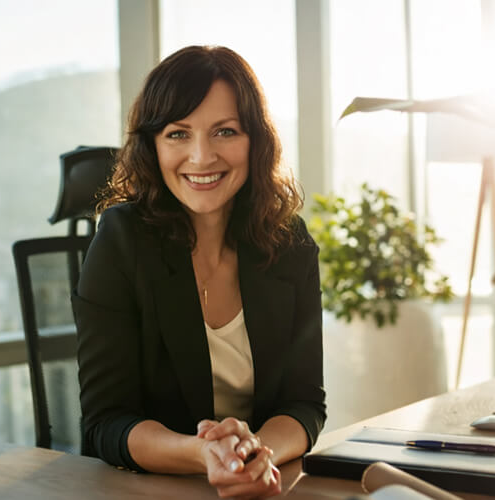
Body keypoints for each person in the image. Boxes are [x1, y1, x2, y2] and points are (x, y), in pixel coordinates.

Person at [72, 45, 326, 499]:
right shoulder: (121, 240)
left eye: (225, 131)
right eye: (178, 134)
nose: (202, 156)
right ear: (152, 145)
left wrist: (253, 454)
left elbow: (304, 403)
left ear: (255, 140)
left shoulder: (290, 245)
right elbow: (106, 422)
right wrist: (205, 455)